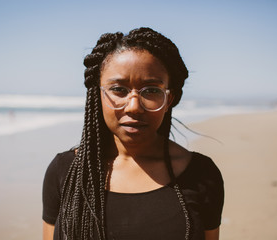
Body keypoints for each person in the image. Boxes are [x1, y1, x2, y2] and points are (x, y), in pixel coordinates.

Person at [42, 27, 224, 240]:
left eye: (151, 90)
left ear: (169, 100)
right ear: (97, 95)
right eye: (119, 89)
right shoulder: (65, 172)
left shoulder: (202, 176)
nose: (134, 106)